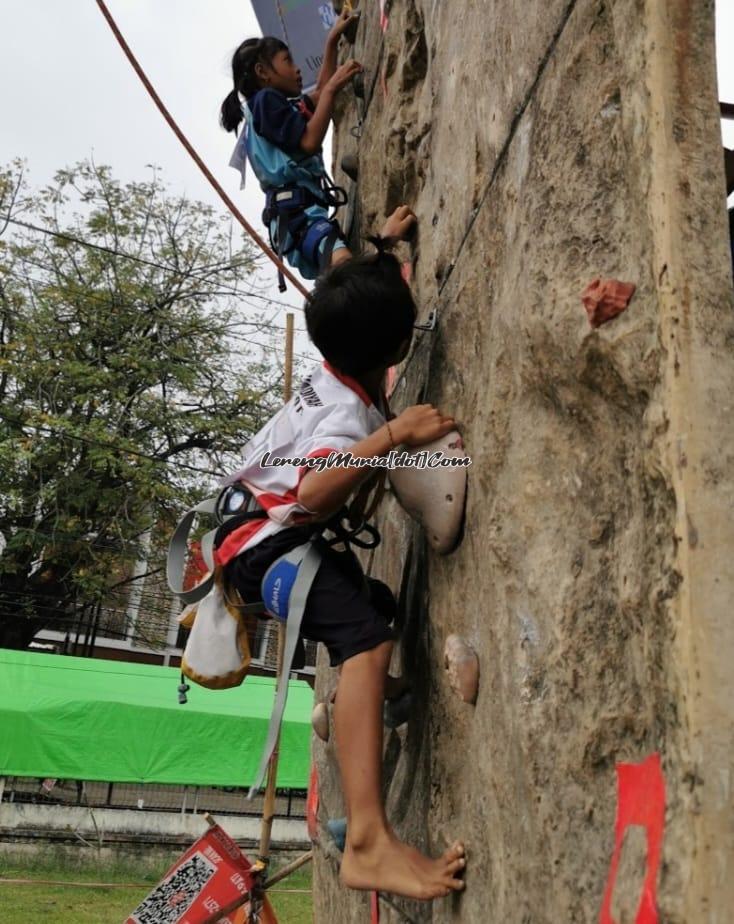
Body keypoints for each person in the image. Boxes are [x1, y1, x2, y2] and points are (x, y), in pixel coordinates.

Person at [215, 212, 467, 901]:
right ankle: (367, 841)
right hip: (261, 546)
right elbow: (319, 485)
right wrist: (396, 431)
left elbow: (352, 303)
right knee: (365, 640)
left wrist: (382, 250)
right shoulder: (350, 416)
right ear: (390, 347)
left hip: (248, 532)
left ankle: (359, 706)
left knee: (373, 612)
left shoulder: (339, 368)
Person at [220, 12, 362, 288]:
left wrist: (332, 41)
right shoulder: (266, 101)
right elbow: (309, 141)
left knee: (341, 276)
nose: (297, 69)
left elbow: (319, 92)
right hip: (299, 216)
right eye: (288, 61)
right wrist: (333, 90)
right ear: (263, 73)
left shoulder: (277, 107)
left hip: (300, 215)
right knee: (346, 267)